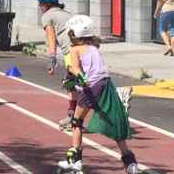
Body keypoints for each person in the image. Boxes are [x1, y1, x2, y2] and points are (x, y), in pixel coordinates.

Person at [57, 15, 140, 174]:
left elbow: (74, 68)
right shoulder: (94, 47)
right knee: (114, 125)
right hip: (106, 85)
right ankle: (130, 163)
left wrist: (78, 78)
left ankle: (75, 161)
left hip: (91, 88)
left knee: (76, 121)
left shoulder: (74, 49)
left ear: (75, 34)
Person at [33, 0, 76, 131]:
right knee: (77, 85)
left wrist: (52, 59)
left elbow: (51, 39)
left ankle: (73, 119)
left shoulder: (47, 17)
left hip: (72, 54)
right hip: (84, 51)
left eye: (41, 3)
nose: (39, 6)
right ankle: (73, 117)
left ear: (47, 3)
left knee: (73, 85)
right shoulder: (66, 14)